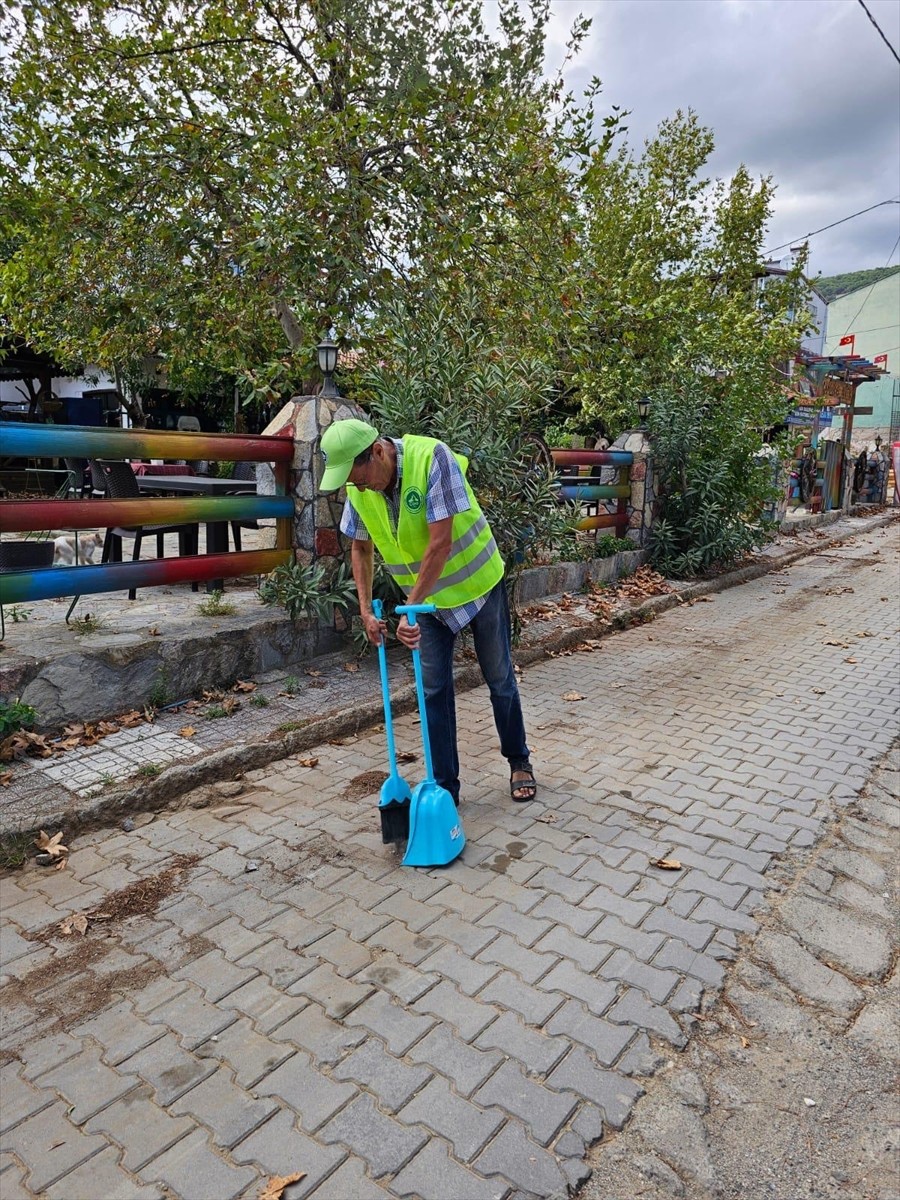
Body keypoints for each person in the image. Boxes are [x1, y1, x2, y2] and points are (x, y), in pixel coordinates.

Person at [319, 418, 536, 805]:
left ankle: (519, 760)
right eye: (351, 481)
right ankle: (444, 789)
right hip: (425, 603)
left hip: (477, 585)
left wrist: (409, 609)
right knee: (433, 690)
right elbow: (360, 547)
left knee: (499, 677)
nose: (358, 486)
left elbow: (440, 544)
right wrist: (366, 610)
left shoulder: (432, 457)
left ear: (379, 453)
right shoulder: (360, 487)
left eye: (359, 477)